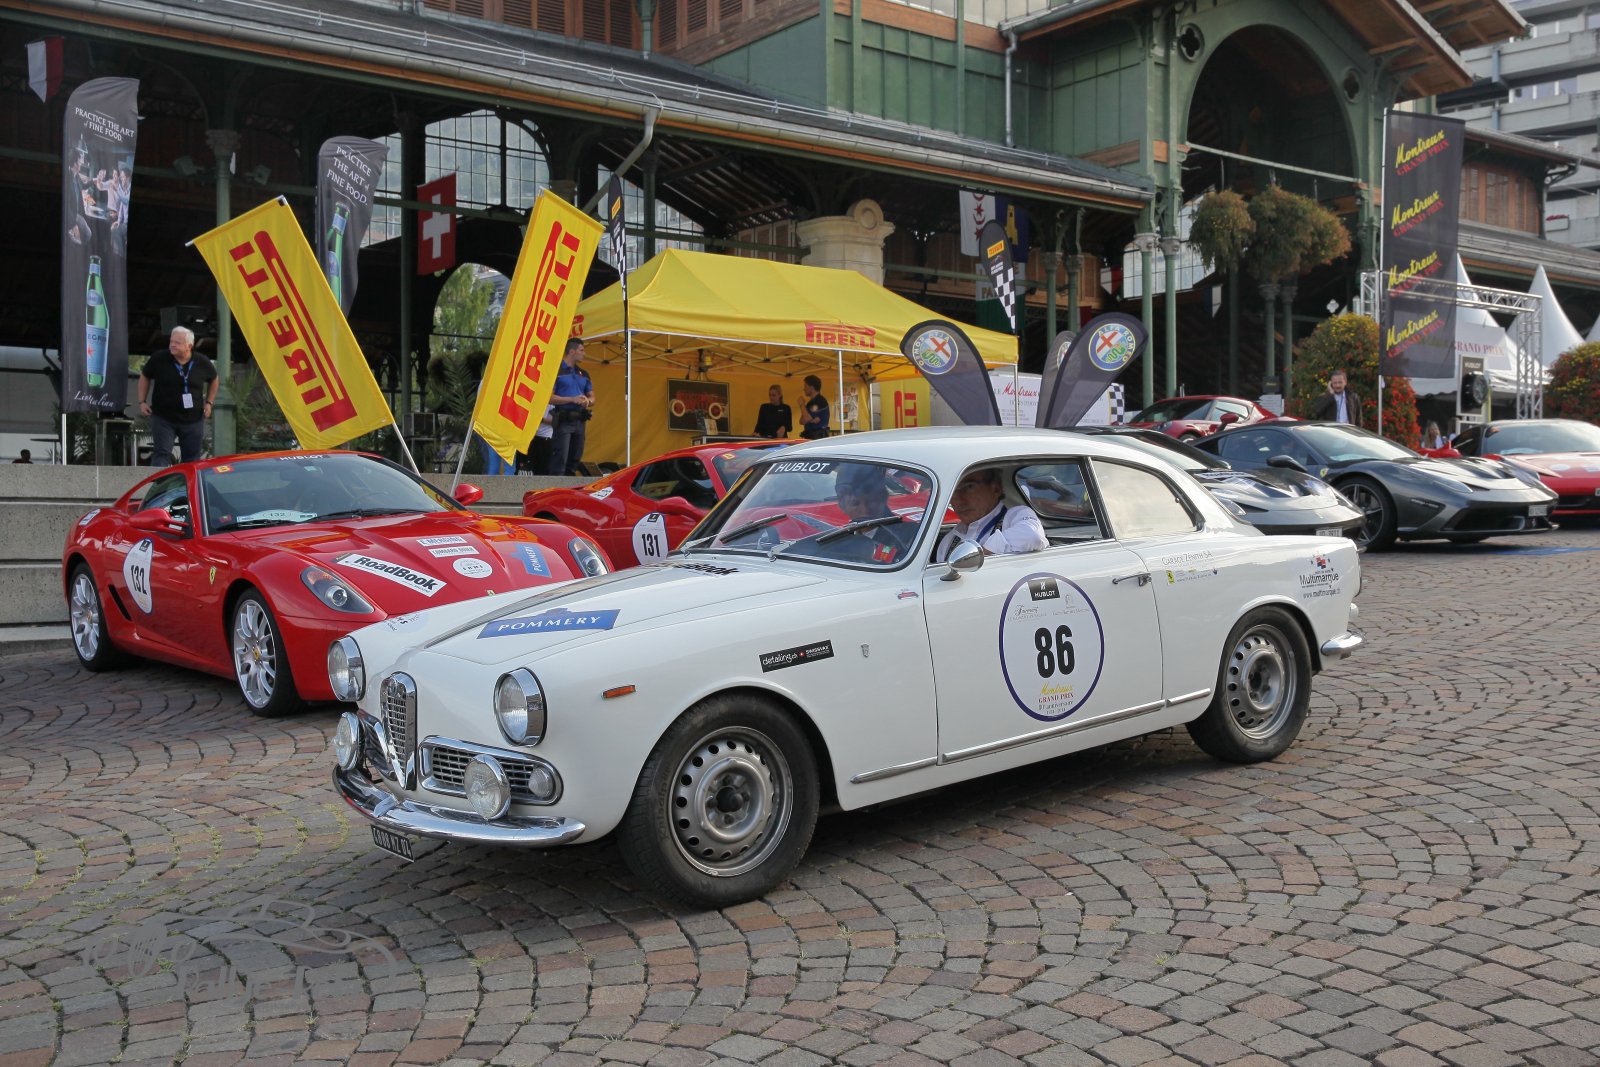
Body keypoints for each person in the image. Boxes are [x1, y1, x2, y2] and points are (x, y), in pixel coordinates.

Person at [139, 326, 218, 466]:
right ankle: (159, 480)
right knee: (162, 453)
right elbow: (145, 376)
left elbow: (214, 379)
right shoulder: (159, 358)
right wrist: (142, 401)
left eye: (177, 343)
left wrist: (209, 402)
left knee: (192, 459)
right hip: (164, 418)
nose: (172, 345)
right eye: (171, 341)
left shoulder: (202, 362)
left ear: (189, 346)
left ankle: (188, 481)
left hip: (193, 419)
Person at [934, 467, 1047, 562]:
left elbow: (1032, 536)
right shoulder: (949, 541)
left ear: (996, 489)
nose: (959, 500)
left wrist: (982, 554)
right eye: (953, 491)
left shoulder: (1015, 515)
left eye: (969, 487)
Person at [823, 464, 915, 565]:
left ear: (883, 499)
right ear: (842, 505)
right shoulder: (834, 538)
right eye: (855, 503)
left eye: (872, 502)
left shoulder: (909, 538)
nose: (865, 509)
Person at [548, 338, 593, 475]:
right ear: (572, 351)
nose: (584, 353)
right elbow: (549, 398)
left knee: (575, 458)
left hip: (580, 420)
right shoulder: (556, 371)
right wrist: (572, 399)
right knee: (560, 457)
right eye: (581, 350)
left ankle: (569, 484)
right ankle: (556, 486)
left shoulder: (584, 374)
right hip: (564, 419)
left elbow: (593, 398)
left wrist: (587, 401)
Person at [799, 375, 829, 440]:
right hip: (810, 436)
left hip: (818, 437)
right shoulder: (810, 403)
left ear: (811, 387)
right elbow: (801, 421)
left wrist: (802, 405)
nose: (804, 389)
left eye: (805, 386)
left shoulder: (820, 401)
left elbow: (805, 419)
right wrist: (811, 420)